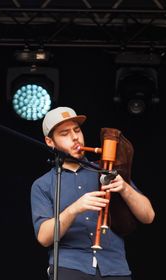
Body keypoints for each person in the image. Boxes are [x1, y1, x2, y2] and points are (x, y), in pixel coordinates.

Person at [30, 106, 155, 280]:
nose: (75, 137)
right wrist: (75, 208)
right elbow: (44, 237)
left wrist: (125, 188)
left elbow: (148, 216)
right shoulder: (43, 184)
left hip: (115, 267)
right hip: (70, 267)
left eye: (77, 130)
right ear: (50, 142)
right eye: (64, 134)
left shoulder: (106, 170)